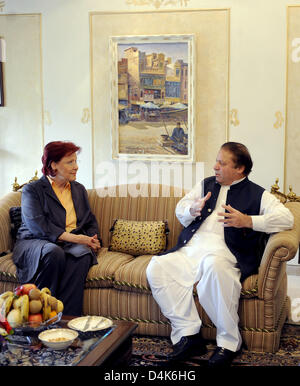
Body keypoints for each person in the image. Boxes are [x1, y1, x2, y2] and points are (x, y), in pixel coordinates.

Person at [146, 142, 294, 367]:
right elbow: (181, 209)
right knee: (157, 267)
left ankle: (228, 342)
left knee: (214, 268)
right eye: (216, 161)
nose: (215, 167)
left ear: (240, 169)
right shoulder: (205, 184)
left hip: (225, 254)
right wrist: (191, 210)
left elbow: (287, 218)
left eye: (222, 163)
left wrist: (249, 221)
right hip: (191, 250)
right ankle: (188, 335)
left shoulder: (257, 194)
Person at [12, 141, 101, 316]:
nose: (76, 167)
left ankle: (67, 319)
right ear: (53, 164)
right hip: (34, 241)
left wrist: (92, 239)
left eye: (76, 162)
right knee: (54, 252)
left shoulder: (78, 189)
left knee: (83, 255)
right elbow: (38, 226)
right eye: (70, 162)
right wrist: (77, 239)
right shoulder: (33, 190)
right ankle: (40, 314)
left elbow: (89, 221)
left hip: (67, 244)